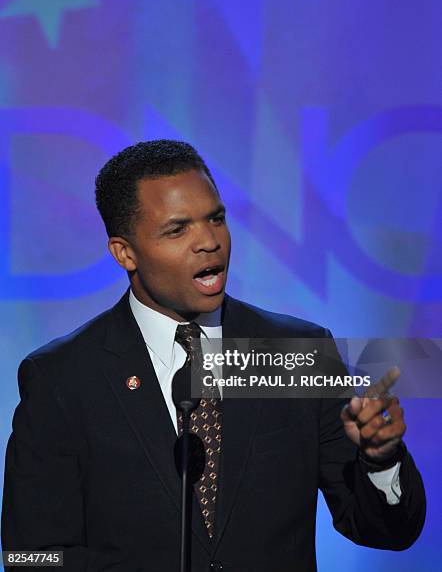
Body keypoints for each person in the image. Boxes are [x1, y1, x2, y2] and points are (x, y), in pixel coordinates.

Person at [1, 140, 426, 572]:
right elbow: (29, 558)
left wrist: (380, 460)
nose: (209, 242)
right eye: (177, 229)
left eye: (216, 219)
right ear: (124, 252)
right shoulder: (62, 377)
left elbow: (387, 531)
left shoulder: (294, 354)